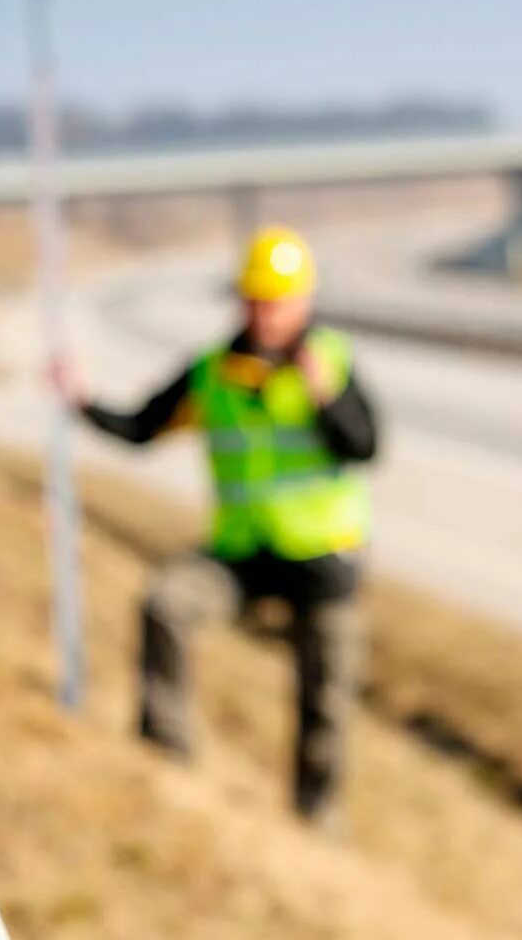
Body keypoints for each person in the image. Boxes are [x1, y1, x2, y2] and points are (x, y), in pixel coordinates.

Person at [53, 226, 379, 827]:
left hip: (323, 560)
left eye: (277, 300)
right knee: (166, 605)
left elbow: (365, 446)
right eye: (255, 299)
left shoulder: (329, 363)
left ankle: (317, 817)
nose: (265, 313)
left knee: (326, 697)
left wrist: (325, 399)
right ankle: (166, 762)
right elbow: (142, 427)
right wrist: (80, 400)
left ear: (303, 301)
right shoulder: (212, 373)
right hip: (241, 553)